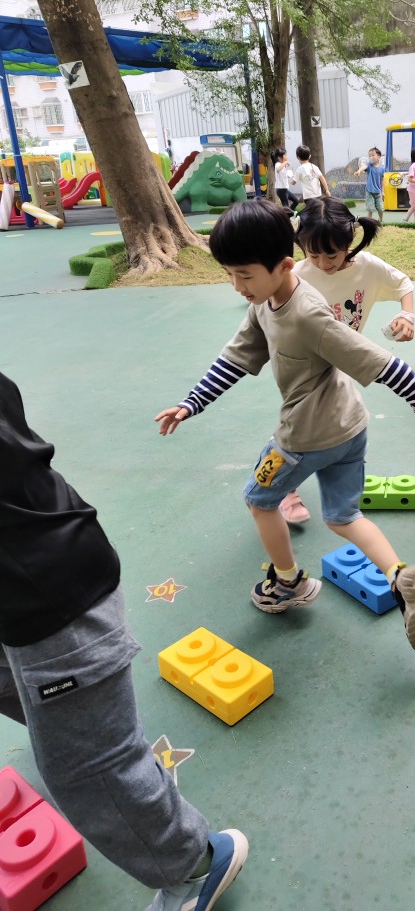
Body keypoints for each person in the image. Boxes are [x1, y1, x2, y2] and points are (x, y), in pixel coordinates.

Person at [0, 371, 249, 911]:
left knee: (87, 770)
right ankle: (96, 738)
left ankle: (195, 865)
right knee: (62, 728)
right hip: (28, 575)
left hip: (45, 593)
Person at [155, 200, 415, 652]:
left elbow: (379, 361)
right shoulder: (265, 300)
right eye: (229, 274)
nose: (237, 286)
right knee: (344, 516)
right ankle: (399, 576)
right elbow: (235, 359)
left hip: (305, 439)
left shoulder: (309, 315)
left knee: (258, 500)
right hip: (350, 428)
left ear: (284, 265)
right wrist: (191, 402)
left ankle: (288, 582)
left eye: (244, 275)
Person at [281, 196, 415, 525]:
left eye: (332, 254)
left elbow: (403, 284)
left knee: (340, 423)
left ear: (349, 240)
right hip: (304, 362)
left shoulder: (367, 267)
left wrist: (407, 316)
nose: (323, 262)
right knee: (302, 425)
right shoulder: (298, 274)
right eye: (313, 254)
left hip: (342, 361)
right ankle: (284, 488)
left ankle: (332, 484)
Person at [354, 147, 385, 225]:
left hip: (378, 192)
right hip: (369, 192)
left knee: (380, 208)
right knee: (370, 209)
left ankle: (381, 221)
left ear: (378, 156)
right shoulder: (369, 166)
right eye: (369, 156)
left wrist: (383, 192)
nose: (371, 157)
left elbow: (382, 181)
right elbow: (363, 167)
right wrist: (359, 171)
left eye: (373, 155)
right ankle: (369, 223)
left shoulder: (382, 169)